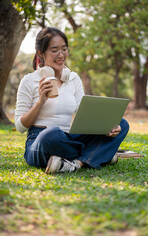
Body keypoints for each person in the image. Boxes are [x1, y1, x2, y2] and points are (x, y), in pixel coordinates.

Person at [15, 27, 129, 174]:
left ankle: (77, 163)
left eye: (64, 49)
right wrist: (40, 102)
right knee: (50, 134)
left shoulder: (73, 79)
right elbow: (20, 126)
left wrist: (106, 128)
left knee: (121, 124)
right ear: (40, 53)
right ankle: (100, 154)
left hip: (70, 136)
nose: (61, 55)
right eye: (54, 50)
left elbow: (85, 115)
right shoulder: (29, 81)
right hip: (40, 140)